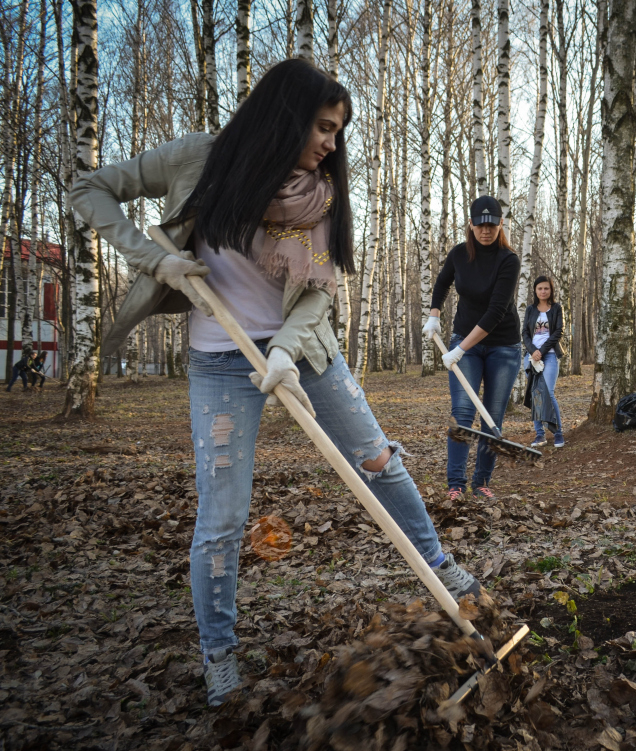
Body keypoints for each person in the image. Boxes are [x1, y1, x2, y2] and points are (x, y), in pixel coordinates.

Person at [70, 59, 480, 707]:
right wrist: (156, 261)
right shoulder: (199, 159)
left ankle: (442, 569)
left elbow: (318, 293)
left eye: (338, 131)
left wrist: (285, 350)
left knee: (379, 458)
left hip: (305, 351)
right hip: (220, 361)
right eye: (323, 126)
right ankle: (220, 657)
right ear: (285, 116)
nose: (331, 144)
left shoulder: (319, 195)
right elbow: (89, 188)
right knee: (223, 516)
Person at [424, 195, 521, 502]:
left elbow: (495, 312)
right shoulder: (458, 254)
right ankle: (456, 484)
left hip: (503, 346)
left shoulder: (509, 260)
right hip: (465, 338)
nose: (486, 231)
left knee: (492, 416)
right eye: (480, 225)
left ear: (501, 224)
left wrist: (460, 349)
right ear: (471, 224)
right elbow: (442, 283)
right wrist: (434, 315)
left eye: (491, 225)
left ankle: (481, 482)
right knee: (463, 413)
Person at [522, 275, 565, 448]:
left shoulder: (557, 308)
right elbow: (525, 333)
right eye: (540, 288)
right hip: (531, 357)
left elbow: (558, 331)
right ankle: (539, 434)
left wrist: (542, 351)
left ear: (551, 290)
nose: (543, 291)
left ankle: (558, 433)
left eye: (546, 288)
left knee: (549, 393)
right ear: (535, 290)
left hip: (550, 355)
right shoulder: (530, 310)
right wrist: (533, 351)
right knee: (535, 394)